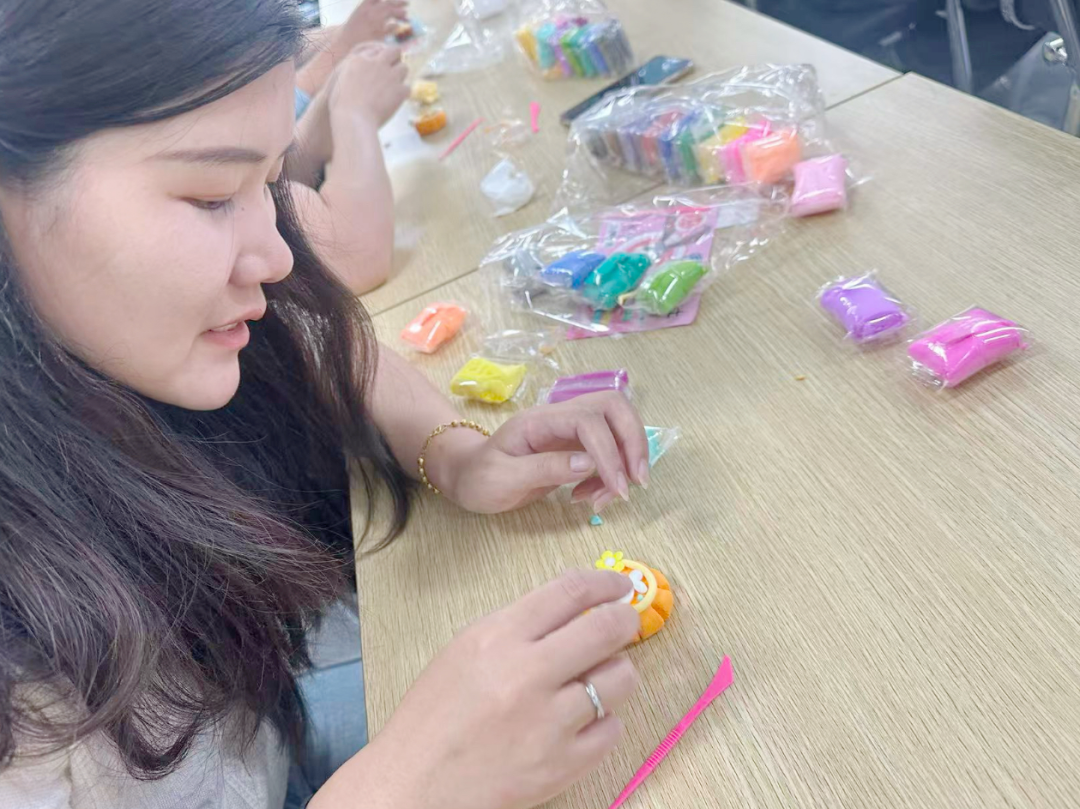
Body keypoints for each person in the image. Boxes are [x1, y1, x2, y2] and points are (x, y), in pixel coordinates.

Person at [0, 2, 647, 809]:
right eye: (210, 196)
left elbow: (317, 337)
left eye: (272, 180)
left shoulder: (126, 344)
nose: (276, 256)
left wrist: (454, 452)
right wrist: (404, 786)